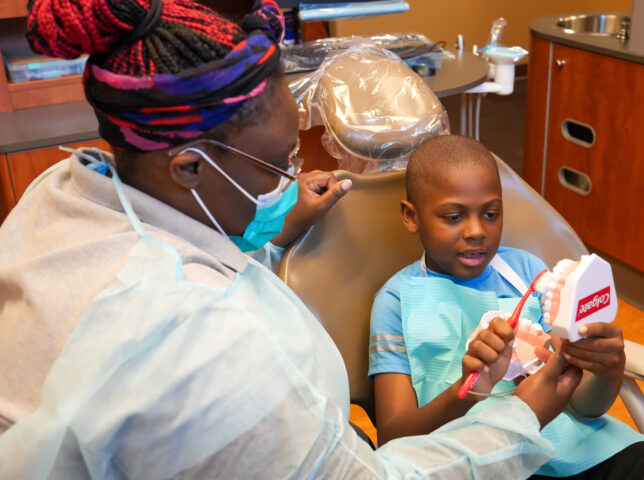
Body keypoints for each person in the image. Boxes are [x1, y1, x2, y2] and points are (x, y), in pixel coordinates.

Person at [0, 1, 581, 477]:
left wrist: (272, 233)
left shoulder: (62, 191)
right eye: (277, 164)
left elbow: (170, 246)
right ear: (190, 168)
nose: (292, 179)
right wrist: (520, 419)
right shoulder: (203, 344)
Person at [369, 134, 644, 478]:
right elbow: (394, 439)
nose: (476, 231)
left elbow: (585, 408)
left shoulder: (527, 274)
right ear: (412, 217)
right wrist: (467, 391)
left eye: (491, 213)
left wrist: (608, 370)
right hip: (481, 461)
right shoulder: (396, 301)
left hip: (579, 451)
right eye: (454, 217)